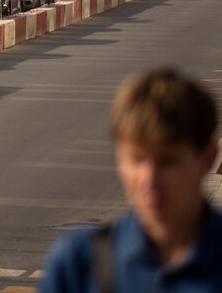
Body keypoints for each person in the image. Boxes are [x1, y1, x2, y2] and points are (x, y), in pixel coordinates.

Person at [40, 68, 221, 291]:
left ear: (207, 158)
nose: (149, 180)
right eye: (136, 159)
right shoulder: (79, 266)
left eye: (167, 162)